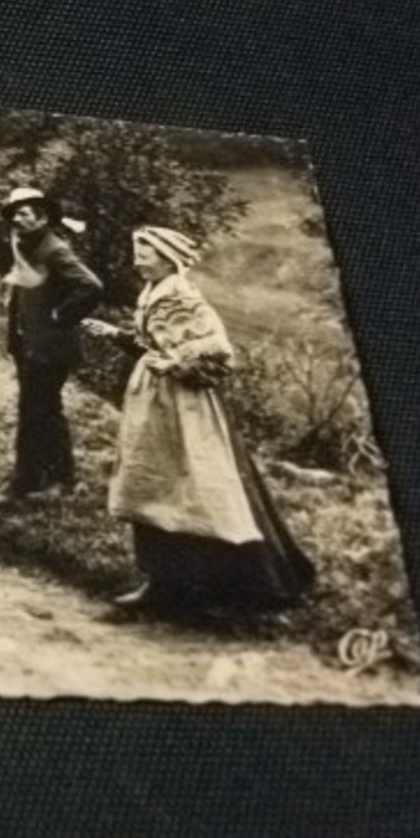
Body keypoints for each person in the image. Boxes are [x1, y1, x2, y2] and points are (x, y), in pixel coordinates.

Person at [82, 225, 315, 615]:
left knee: (200, 488)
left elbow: (219, 350)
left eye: (146, 251)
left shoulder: (183, 295)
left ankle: (236, 587)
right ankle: (162, 583)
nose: (138, 258)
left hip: (185, 404)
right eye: (136, 249)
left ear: (168, 256)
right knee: (152, 485)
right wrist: (117, 335)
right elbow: (156, 343)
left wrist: (175, 363)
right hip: (153, 401)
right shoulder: (153, 292)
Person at [0, 187, 103, 506]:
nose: (17, 220)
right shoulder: (28, 247)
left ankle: (25, 482)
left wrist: (59, 315)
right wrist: (17, 338)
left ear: (42, 218)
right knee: (44, 412)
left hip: (50, 349)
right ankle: (59, 477)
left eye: (24, 214)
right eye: (14, 215)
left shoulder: (54, 250)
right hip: (31, 347)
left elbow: (91, 287)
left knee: (37, 413)